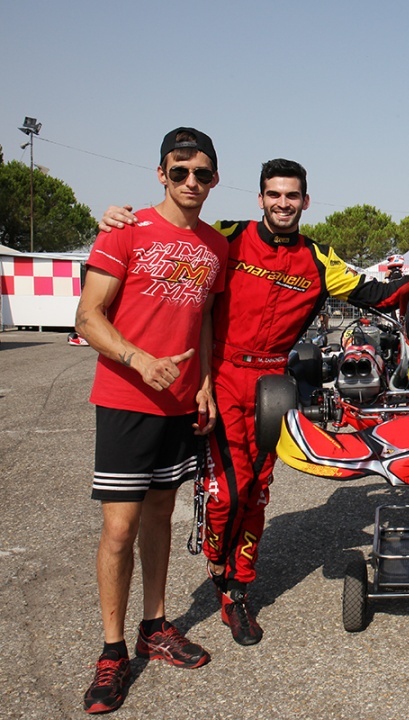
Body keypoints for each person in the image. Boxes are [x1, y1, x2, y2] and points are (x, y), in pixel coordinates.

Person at [100, 159, 409, 648]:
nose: (283, 203)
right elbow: (174, 233)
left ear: (305, 202)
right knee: (229, 492)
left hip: (275, 382)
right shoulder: (225, 236)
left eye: (292, 196)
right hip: (223, 375)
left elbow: (376, 292)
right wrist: (119, 219)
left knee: (257, 491)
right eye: (274, 194)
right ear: (260, 199)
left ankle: (237, 591)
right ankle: (218, 566)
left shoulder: (318, 258)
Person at [78, 127, 228, 714]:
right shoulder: (126, 230)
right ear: (161, 173)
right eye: (180, 171)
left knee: (162, 516)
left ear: (215, 179)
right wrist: (140, 360)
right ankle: (113, 652)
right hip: (126, 399)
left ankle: (155, 627)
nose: (192, 182)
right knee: (119, 529)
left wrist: (207, 384)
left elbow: (206, 322)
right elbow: (88, 316)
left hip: (181, 404)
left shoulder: (216, 246)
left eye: (204, 174)